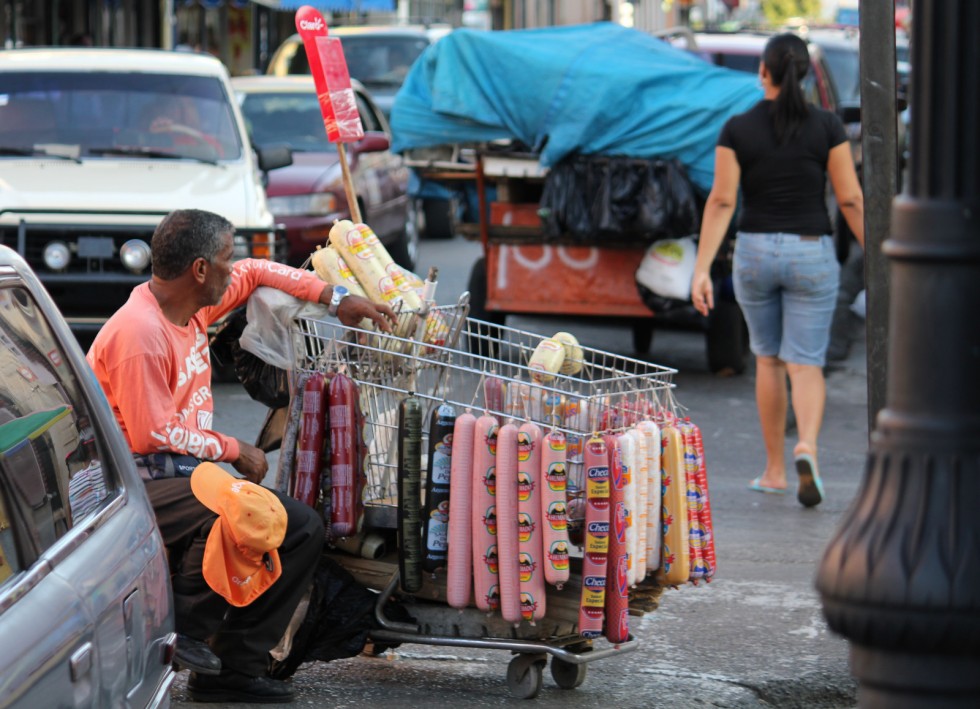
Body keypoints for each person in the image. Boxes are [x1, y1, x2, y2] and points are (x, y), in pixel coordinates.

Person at [87, 209, 396, 703]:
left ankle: (231, 670)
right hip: (131, 478)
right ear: (200, 270)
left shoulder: (190, 307)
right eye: (225, 260)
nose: (236, 270)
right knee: (240, 514)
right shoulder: (140, 333)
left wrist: (337, 299)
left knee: (302, 528)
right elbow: (152, 434)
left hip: (181, 469)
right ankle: (180, 632)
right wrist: (237, 451)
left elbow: (257, 271)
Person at [690, 33, 864, 508]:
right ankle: (806, 444)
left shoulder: (738, 128)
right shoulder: (827, 127)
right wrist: (881, 252)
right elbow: (849, 198)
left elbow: (723, 200)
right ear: (805, 73)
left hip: (755, 252)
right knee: (805, 363)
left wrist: (702, 268)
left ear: (763, 72)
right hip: (811, 250)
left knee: (768, 359)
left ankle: (773, 471)